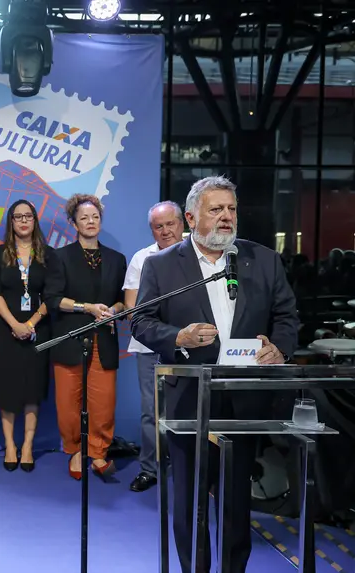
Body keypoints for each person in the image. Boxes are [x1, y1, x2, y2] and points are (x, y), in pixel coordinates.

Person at [131, 175, 298, 573]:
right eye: (216, 209)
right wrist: (179, 336)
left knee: (236, 500)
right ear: (191, 218)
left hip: (244, 399)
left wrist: (280, 348)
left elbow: (287, 317)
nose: (227, 216)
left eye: (231, 209)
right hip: (189, 400)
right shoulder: (161, 265)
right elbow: (141, 322)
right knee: (190, 500)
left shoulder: (263, 259)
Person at [44, 193, 127, 480]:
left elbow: (123, 300)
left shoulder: (117, 259)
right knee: (68, 404)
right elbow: (53, 299)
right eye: (84, 218)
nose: (91, 222)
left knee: (104, 403)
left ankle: (99, 452)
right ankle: (75, 451)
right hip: (70, 339)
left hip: (104, 340)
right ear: (74, 223)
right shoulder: (60, 257)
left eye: (95, 217)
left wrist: (112, 311)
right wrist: (87, 308)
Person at [122, 201, 185, 493]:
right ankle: (150, 468)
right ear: (152, 230)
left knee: (188, 409)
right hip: (149, 347)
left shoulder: (198, 255)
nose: (165, 231)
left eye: (170, 224)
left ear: (182, 223)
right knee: (151, 411)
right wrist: (165, 332)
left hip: (191, 347)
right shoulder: (141, 258)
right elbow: (132, 308)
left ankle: (189, 467)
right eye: (158, 226)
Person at [0, 200, 52, 472]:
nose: (23, 221)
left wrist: (31, 323)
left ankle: (27, 446)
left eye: (28, 216)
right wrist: (15, 324)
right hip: (5, 330)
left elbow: (52, 295)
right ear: (11, 222)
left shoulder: (48, 255)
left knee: (32, 389)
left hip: (37, 331)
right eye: (18, 217)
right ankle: (10, 446)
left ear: (35, 220)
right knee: (7, 389)